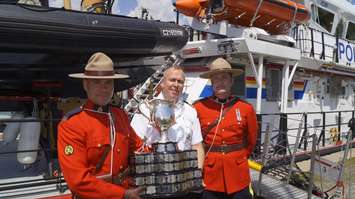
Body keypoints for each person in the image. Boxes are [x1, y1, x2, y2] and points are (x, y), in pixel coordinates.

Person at [57, 52, 144, 199]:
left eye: (108, 82)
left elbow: (138, 148)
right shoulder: (72, 124)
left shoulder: (120, 115)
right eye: (97, 82)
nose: (104, 88)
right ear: (86, 84)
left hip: (128, 190)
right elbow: (78, 182)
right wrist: (122, 194)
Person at [193, 58, 258, 199]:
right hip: (210, 175)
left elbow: (251, 140)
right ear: (211, 82)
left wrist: (238, 157)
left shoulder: (245, 108)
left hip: (238, 174)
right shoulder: (199, 107)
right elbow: (195, 141)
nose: (220, 82)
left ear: (231, 81)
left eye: (224, 78)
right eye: (216, 78)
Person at [130, 65, 205, 176]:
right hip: (154, 176)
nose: (176, 85)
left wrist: (198, 174)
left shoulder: (190, 111)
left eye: (180, 82)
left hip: (183, 177)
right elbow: (133, 145)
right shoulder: (146, 108)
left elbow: (197, 145)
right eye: (172, 80)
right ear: (162, 83)